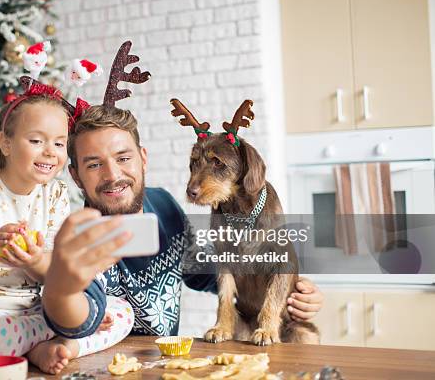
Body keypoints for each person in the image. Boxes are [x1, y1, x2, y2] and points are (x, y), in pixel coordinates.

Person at [42, 105, 324, 338]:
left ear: (143, 159)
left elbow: (206, 273)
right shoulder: (77, 233)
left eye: (123, 158)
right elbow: (78, 316)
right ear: (76, 176)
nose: (113, 174)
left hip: (167, 362)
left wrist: (291, 290)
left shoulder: (165, 206)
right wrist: (61, 292)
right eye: (94, 164)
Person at [0, 87, 134, 375]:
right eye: (36, 140)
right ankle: (50, 344)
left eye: (60, 144)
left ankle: (65, 345)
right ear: (6, 143)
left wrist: (35, 261)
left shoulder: (54, 194)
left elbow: (55, 272)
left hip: (35, 310)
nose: (50, 152)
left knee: (121, 313)